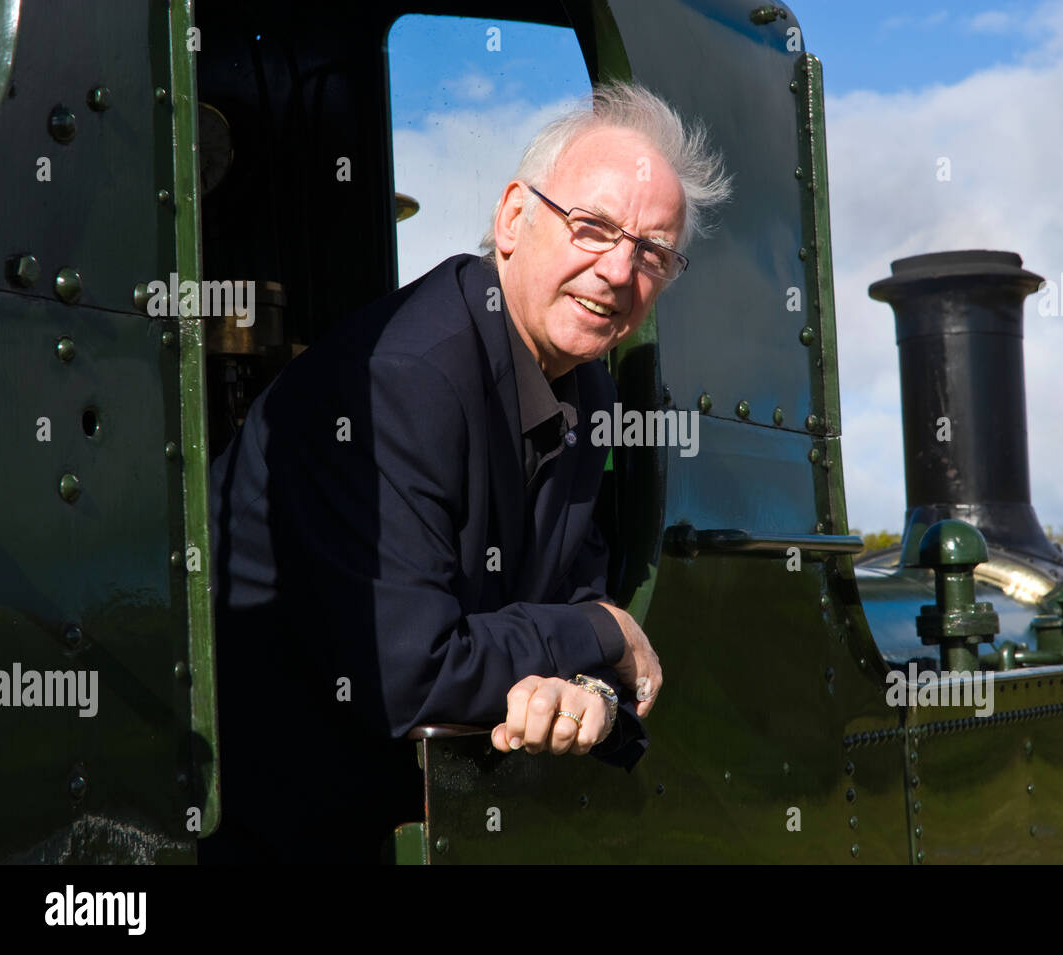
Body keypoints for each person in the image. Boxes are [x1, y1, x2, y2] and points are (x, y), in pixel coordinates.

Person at [200, 82, 731, 862]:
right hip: (268, 831)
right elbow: (410, 671)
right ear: (514, 217)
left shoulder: (587, 385)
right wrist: (600, 632)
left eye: (651, 252)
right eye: (592, 227)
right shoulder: (405, 375)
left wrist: (580, 690)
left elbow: (567, 598)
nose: (619, 271)